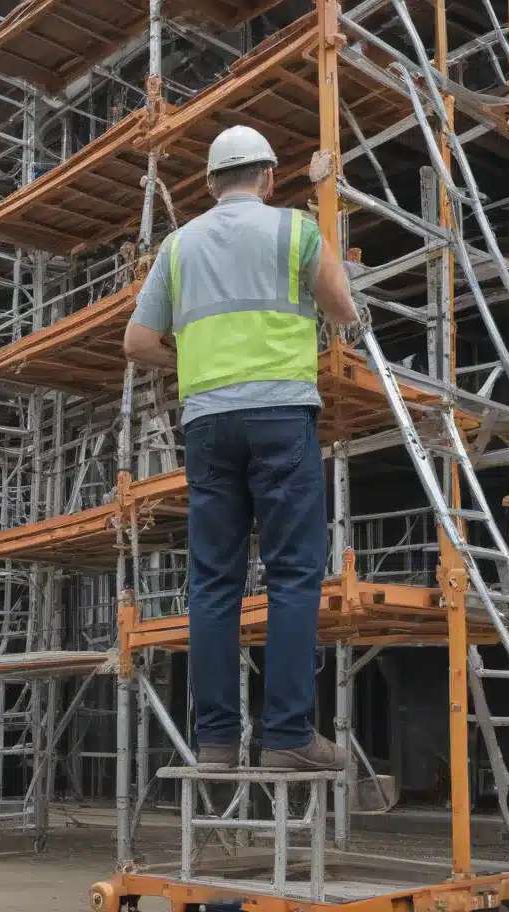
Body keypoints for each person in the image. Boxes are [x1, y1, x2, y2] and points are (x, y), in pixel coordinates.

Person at [123, 126, 359, 771]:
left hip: (206, 425)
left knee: (214, 583)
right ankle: (287, 738)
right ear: (269, 177)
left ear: (209, 183)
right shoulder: (293, 231)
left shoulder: (178, 246)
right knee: (291, 576)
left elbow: (137, 342)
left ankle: (218, 742)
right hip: (281, 417)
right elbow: (343, 311)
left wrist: (191, 355)